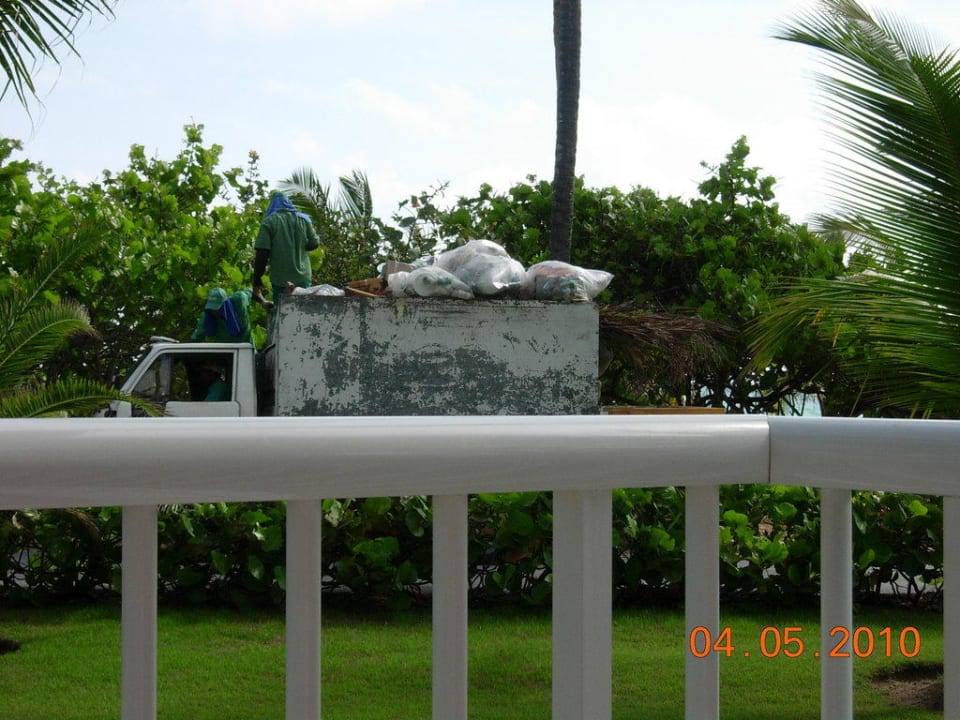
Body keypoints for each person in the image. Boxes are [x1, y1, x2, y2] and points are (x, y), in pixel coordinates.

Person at [252, 191, 320, 305]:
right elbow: (315, 243)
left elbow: (262, 253)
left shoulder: (269, 222)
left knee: (283, 312)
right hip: (303, 277)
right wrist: (300, 248)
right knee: (303, 309)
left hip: (281, 279)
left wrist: (257, 278)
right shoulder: (304, 220)